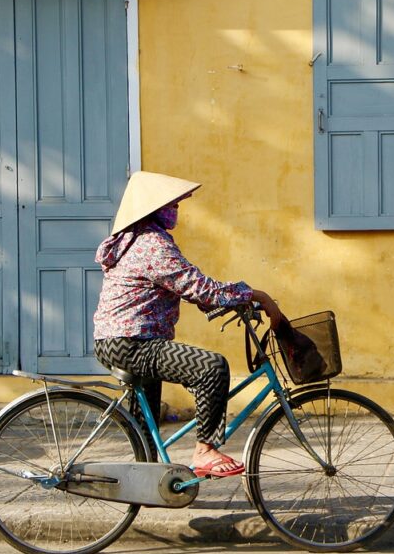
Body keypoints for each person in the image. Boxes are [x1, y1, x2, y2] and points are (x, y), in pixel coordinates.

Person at [92, 170, 282, 478]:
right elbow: (199, 287)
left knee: (146, 425)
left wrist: (223, 301)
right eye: (172, 205)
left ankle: (145, 482)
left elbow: (187, 288)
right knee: (212, 368)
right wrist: (257, 295)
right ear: (154, 210)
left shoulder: (135, 241)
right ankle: (206, 449)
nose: (176, 210)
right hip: (132, 343)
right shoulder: (151, 245)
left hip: (123, 341)